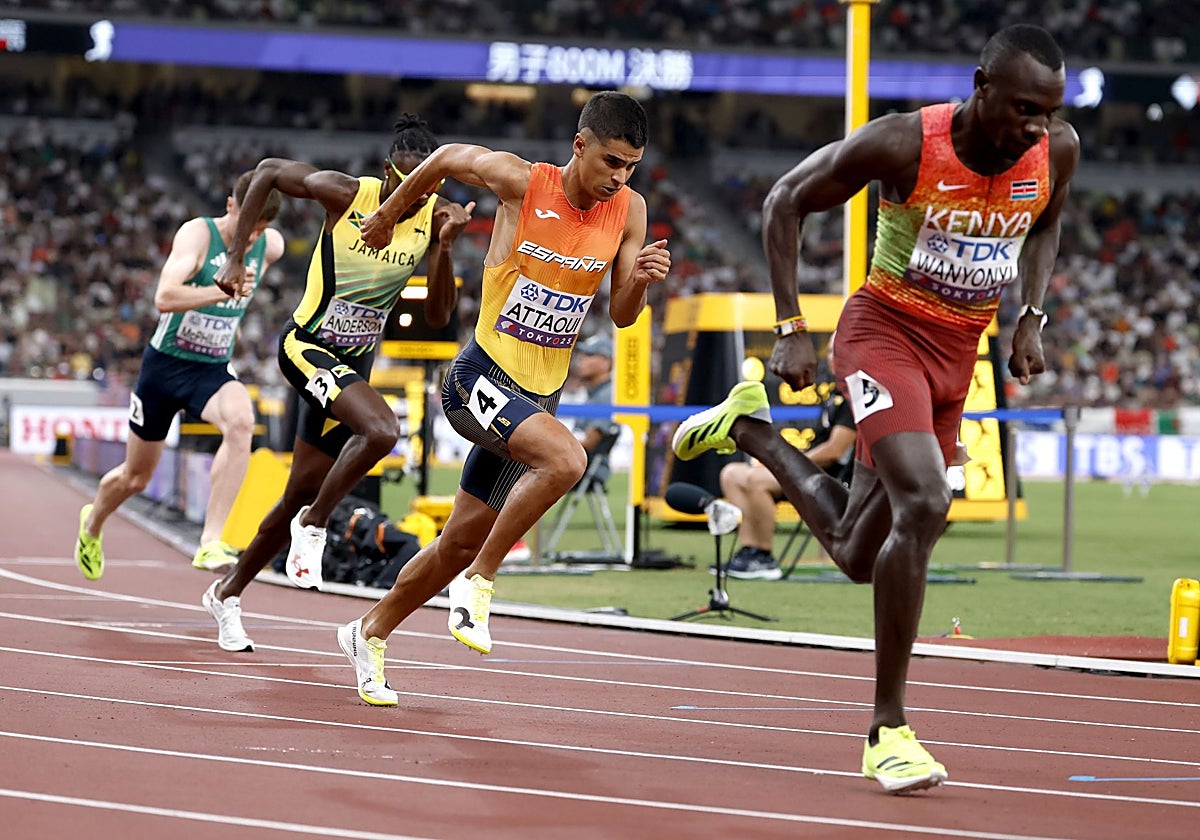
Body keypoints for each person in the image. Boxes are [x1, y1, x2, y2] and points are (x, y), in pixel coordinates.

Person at [673, 25, 1078, 793]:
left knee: (859, 552)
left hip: (958, 355)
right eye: (1025, 108)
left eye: (1049, 112)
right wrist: (790, 329)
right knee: (924, 503)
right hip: (883, 335)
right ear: (981, 86)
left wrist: (1031, 317)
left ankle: (751, 429)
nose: (1037, 127)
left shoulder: (1055, 151)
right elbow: (785, 200)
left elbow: (1048, 222)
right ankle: (887, 730)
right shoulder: (905, 144)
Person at [337, 91, 670, 706]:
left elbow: (623, 314)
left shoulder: (630, 210)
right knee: (567, 461)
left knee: (458, 540)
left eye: (631, 166)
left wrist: (641, 282)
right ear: (580, 146)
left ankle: (368, 631)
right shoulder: (522, 181)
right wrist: (387, 214)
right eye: (611, 162)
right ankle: (481, 582)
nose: (620, 177)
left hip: (538, 399)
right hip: (479, 378)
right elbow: (442, 159)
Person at [200, 114, 475, 652]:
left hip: (353, 364)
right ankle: (315, 525)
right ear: (387, 173)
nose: (414, 197)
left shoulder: (436, 216)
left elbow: (440, 317)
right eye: (406, 184)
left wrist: (444, 249)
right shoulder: (347, 195)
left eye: (426, 186)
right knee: (382, 430)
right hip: (306, 347)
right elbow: (268, 170)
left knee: (299, 490)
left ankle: (227, 593)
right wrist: (235, 258)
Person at [74, 172, 284, 581]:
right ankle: (92, 522)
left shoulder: (270, 246)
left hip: (211, 368)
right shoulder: (198, 236)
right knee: (136, 477)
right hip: (165, 368)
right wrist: (222, 291)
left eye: (260, 230)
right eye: (247, 227)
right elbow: (164, 297)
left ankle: (211, 540)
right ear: (230, 207)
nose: (252, 238)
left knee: (242, 422)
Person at [719, 335, 856, 580]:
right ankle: (750, 550)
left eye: (836, 351)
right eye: (829, 352)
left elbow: (834, 451)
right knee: (731, 475)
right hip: (809, 469)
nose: (831, 358)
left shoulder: (853, 397)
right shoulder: (833, 394)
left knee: (756, 480)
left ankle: (764, 556)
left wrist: (791, 463)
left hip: (829, 478)